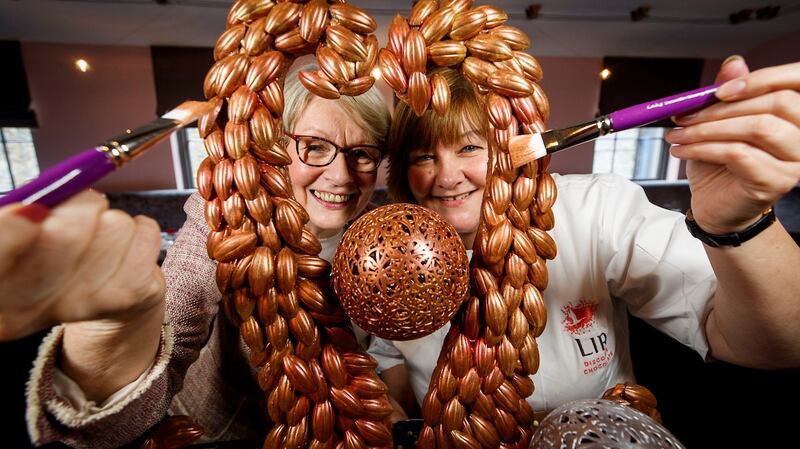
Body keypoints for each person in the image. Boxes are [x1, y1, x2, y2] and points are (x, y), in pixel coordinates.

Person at [369, 57, 800, 418]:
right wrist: (398, 411)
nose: (446, 177)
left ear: (515, 147)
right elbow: (388, 352)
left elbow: (777, 346)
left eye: (469, 148)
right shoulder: (389, 250)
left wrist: (738, 224)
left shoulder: (596, 211)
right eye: (424, 155)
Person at [1, 64, 393, 448]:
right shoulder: (222, 224)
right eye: (315, 147)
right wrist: (110, 342)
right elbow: (169, 337)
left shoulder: (379, 235)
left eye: (362, 153)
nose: (342, 175)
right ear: (273, 151)